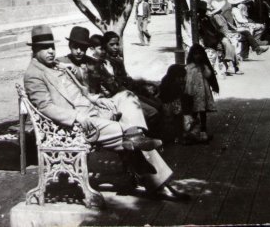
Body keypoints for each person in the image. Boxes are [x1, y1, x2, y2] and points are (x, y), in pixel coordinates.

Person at [23, 25, 190, 201]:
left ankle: (136, 136)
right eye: (44, 48)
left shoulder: (57, 66)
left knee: (127, 97)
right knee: (127, 131)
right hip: (80, 123)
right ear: (34, 50)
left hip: (94, 109)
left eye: (52, 47)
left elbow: (82, 92)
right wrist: (77, 117)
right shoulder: (34, 74)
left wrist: (96, 99)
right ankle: (160, 183)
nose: (50, 51)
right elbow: (45, 108)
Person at [183, 44, 219, 143]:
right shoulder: (189, 67)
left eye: (199, 54)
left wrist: (204, 68)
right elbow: (187, 80)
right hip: (193, 93)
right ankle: (193, 132)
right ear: (192, 55)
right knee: (193, 113)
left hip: (203, 93)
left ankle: (203, 132)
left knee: (202, 112)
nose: (197, 56)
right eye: (195, 54)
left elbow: (209, 75)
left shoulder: (204, 66)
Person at [59, 26, 106, 95]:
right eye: (75, 47)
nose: (78, 51)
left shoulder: (94, 63)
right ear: (70, 46)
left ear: (86, 48)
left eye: (82, 48)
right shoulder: (61, 62)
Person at [196, 0, 237, 76]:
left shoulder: (208, 18)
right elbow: (207, 31)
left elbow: (215, 29)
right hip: (209, 39)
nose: (205, 11)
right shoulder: (199, 20)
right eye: (203, 10)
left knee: (228, 42)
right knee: (226, 42)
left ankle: (232, 64)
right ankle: (230, 64)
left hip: (215, 37)